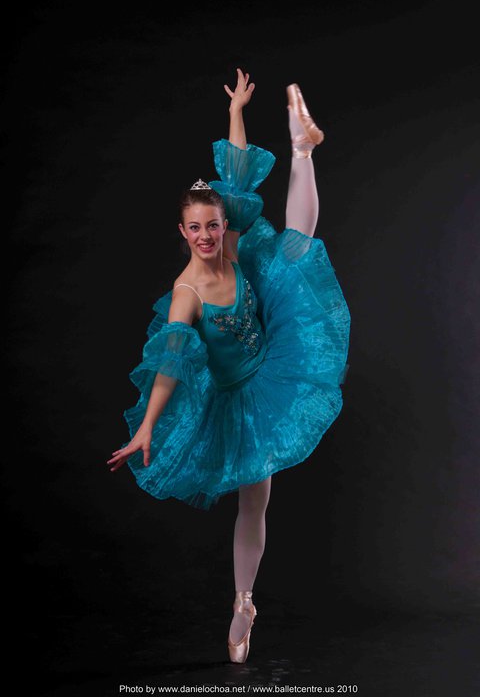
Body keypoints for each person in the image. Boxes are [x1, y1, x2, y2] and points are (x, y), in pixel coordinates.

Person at [107, 68, 351, 664]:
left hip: (272, 359)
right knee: (252, 503)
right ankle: (244, 603)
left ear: (222, 225)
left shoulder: (235, 245)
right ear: (183, 232)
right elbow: (169, 364)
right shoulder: (186, 292)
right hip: (235, 397)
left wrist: (237, 111)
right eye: (196, 229)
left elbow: (235, 174)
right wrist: (146, 427)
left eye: (213, 226)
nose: (207, 236)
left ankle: (301, 146)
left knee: (296, 247)